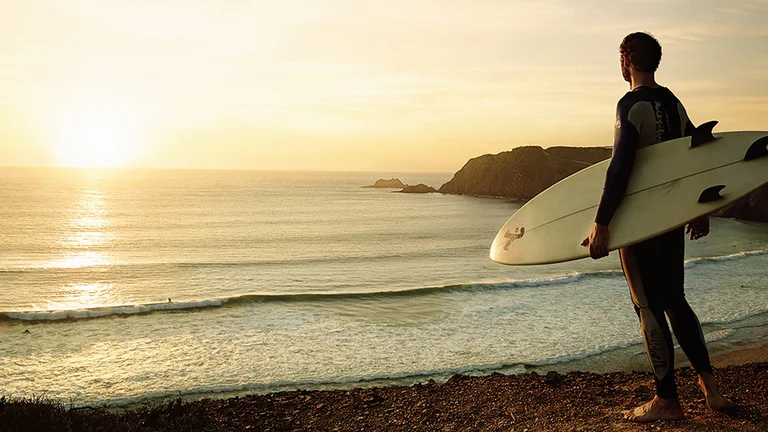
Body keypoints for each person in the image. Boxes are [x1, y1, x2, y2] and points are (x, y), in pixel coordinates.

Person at [581, 32, 735, 423]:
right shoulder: (673, 102)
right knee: (675, 300)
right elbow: (693, 158)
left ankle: (667, 400)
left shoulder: (629, 105)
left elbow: (621, 167)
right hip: (670, 220)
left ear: (626, 60)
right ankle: (711, 390)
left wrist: (601, 223)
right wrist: (700, 210)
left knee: (647, 305)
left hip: (640, 222)